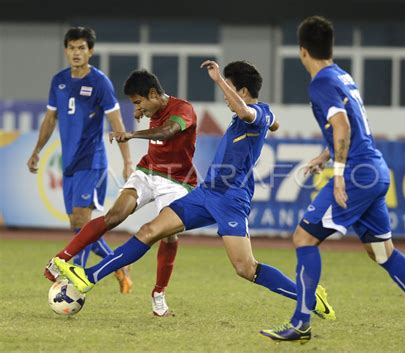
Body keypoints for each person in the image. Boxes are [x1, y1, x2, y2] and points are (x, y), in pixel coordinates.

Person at [52, 60, 336, 321]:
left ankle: (308, 296)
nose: (225, 97)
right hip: (206, 193)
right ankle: (88, 276)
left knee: (245, 268)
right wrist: (273, 123)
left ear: (243, 90)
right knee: (149, 231)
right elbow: (273, 122)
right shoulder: (265, 115)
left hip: (231, 200)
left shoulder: (254, 113)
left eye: (230, 89)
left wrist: (218, 79)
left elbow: (246, 110)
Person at [259, 16, 405, 345]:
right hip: (375, 169)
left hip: (357, 173)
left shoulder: (320, 82)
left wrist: (338, 174)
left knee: (303, 238)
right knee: (381, 251)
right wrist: (326, 153)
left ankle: (301, 322)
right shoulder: (342, 76)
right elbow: (350, 127)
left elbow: (344, 127)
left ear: (302, 51)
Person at [46, 69, 198, 316]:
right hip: (147, 171)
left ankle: (159, 294)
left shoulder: (184, 110)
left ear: (152, 94)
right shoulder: (153, 107)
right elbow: (153, 116)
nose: (138, 109)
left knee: (168, 237)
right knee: (113, 217)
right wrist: (143, 110)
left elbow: (168, 131)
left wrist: (132, 134)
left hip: (177, 181)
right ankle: (60, 260)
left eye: (139, 102)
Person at [27, 27, 133, 293]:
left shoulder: (100, 82)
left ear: (90, 51)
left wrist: (128, 160)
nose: (76, 53)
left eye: (81, 48)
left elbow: (116, 121)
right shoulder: (59, 81)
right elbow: (50, 119)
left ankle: (78, 280)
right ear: (66, 50)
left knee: (82, 223)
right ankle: (118, 265)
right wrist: (37, 150)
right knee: (77, 227)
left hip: (92, 160)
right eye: (72, 48)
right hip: (70, 163)